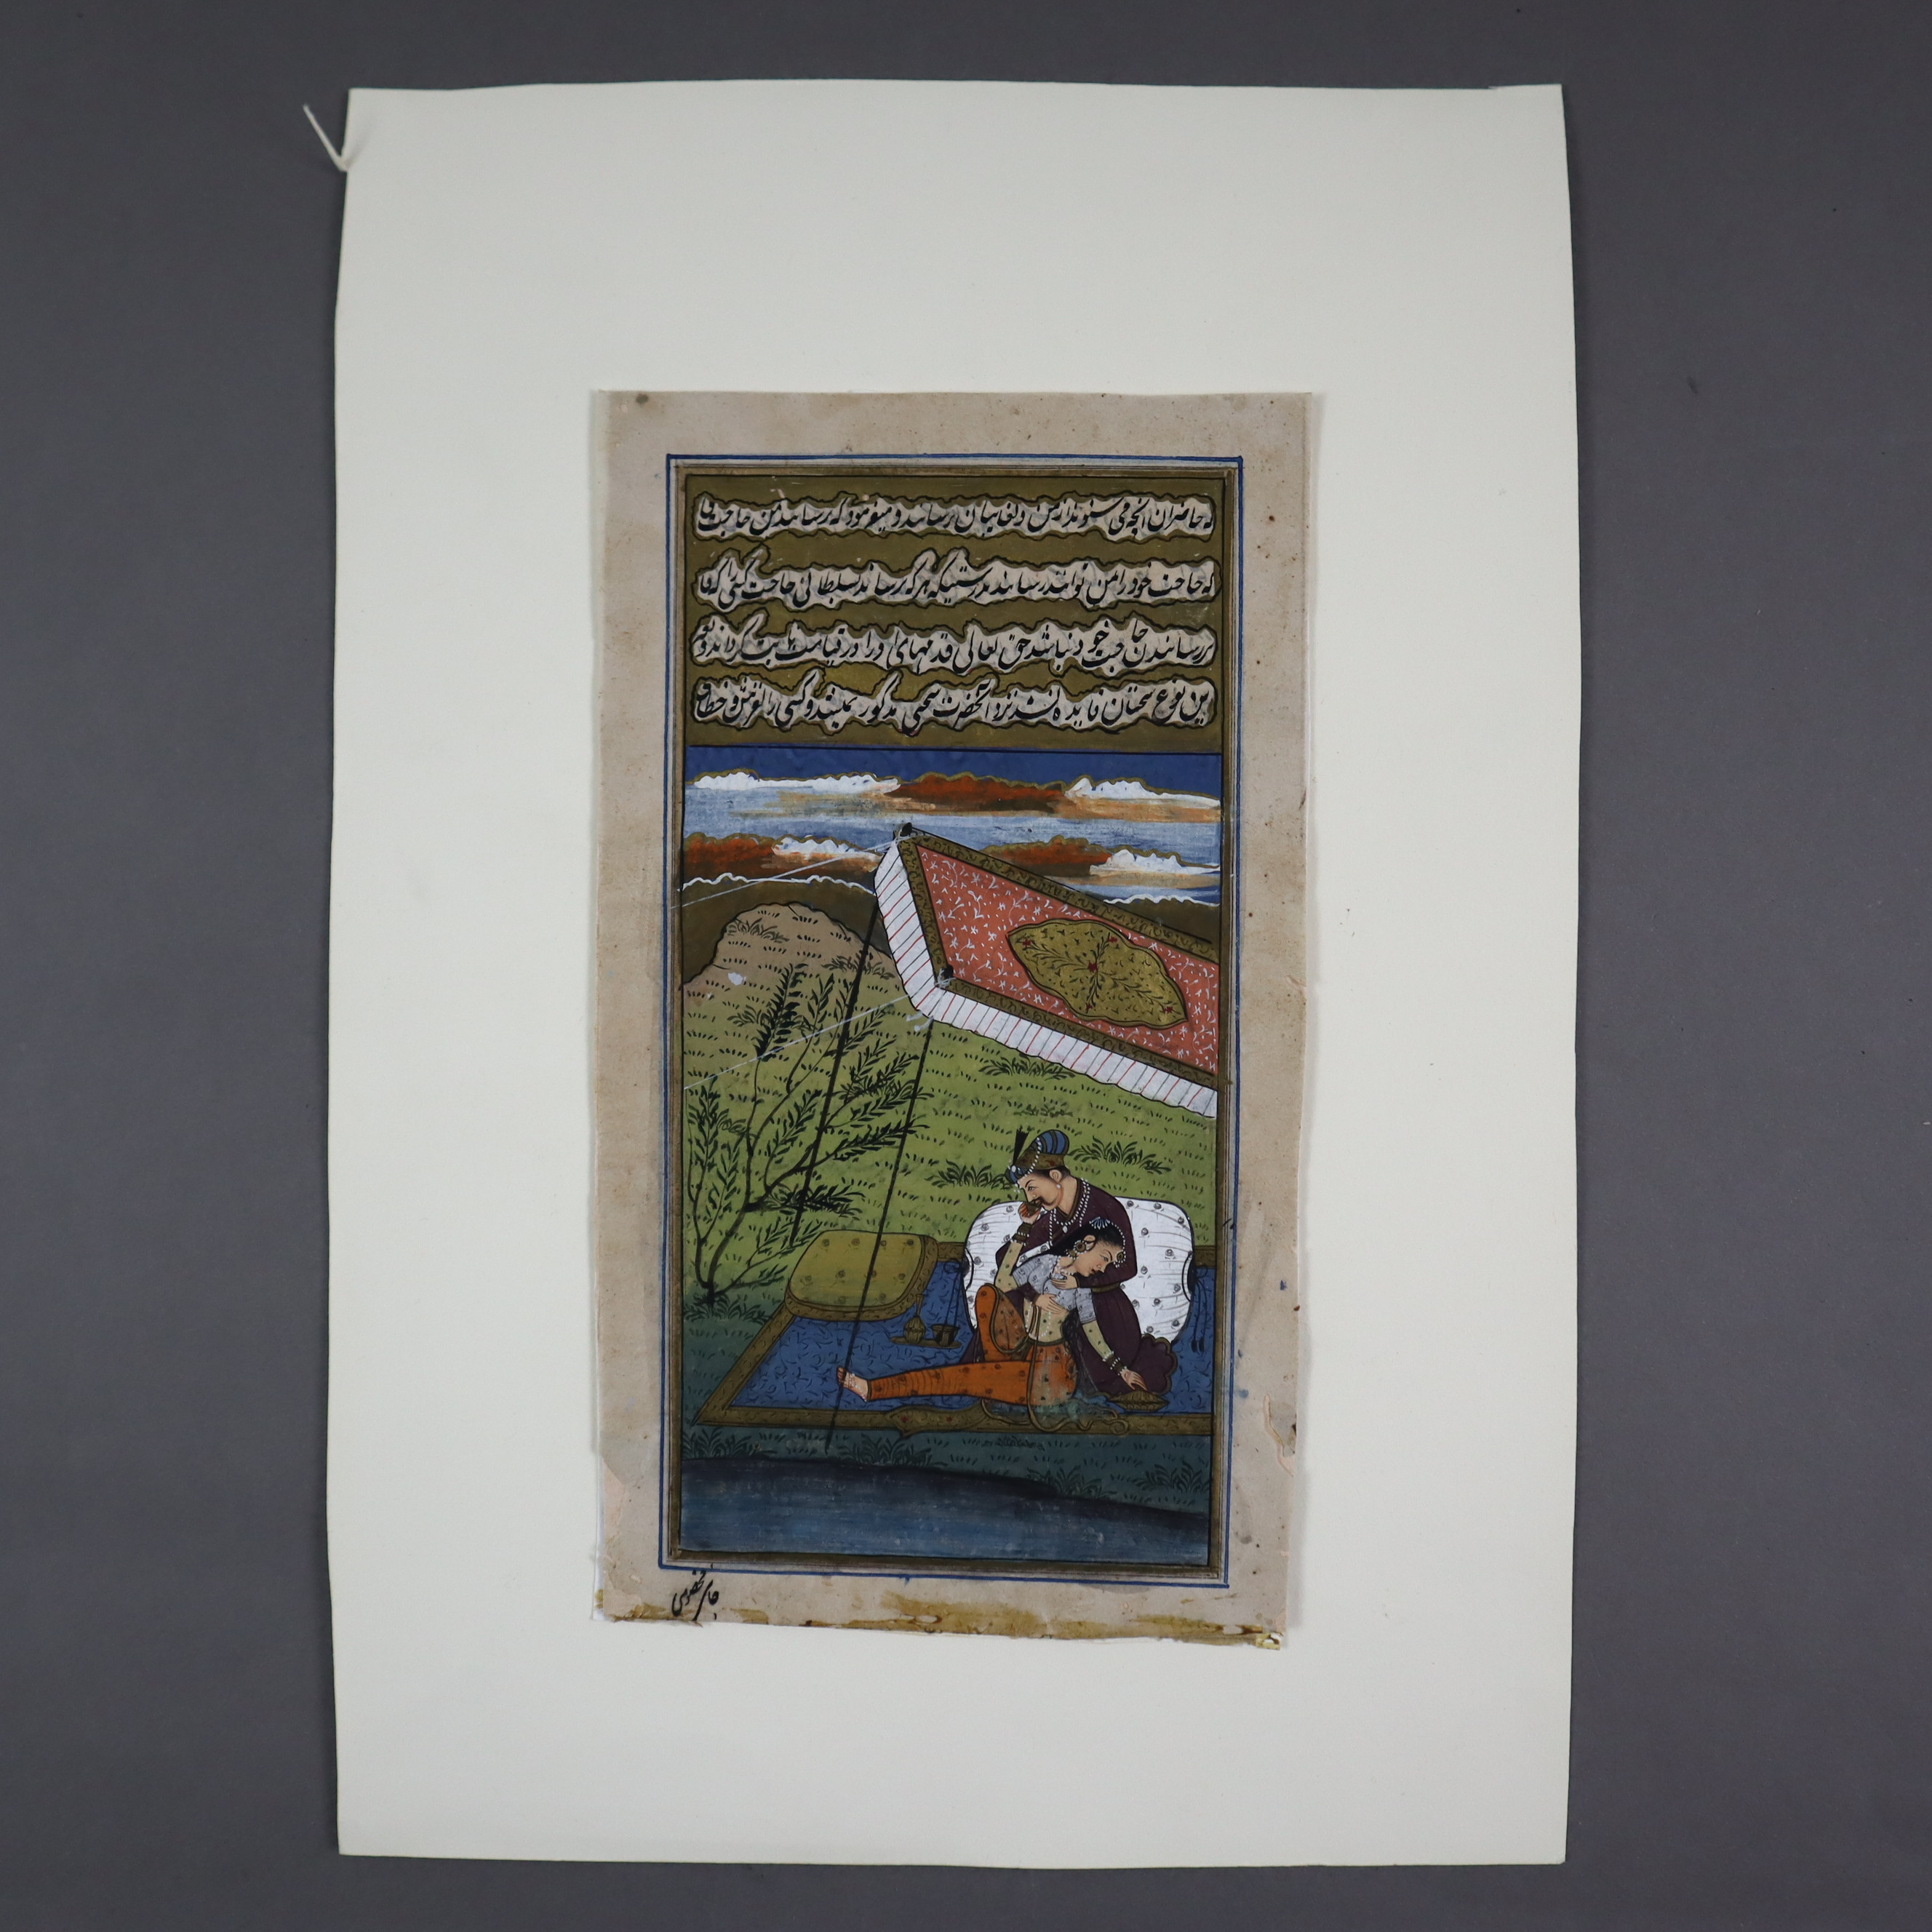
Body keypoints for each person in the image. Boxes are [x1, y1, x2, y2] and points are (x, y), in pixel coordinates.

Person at [833, 1219, 1130, 1413]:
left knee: (960, 1379)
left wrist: (1122, 1370)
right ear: (1087, 1242)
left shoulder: (1081, 1289)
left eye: (1111, 1263)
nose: (1104, 1268)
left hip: (1050, 1374)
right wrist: (1024, 1231)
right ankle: (996, 1367)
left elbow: (1093, 1333)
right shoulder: (1044, 1264)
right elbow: (1003, 1282)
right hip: (1021, 1347)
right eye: (1105, 1257)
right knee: (988, 1294)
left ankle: (874, 1389)